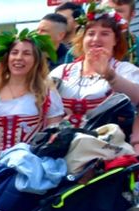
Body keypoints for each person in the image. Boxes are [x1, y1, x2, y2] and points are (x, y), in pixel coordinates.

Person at [0, 31, 65, 180]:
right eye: (14, 52)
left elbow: (53, 135)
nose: (19, 58)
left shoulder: (46, 93)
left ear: (36, 60)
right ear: (7, 58)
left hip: (29, 167)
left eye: (27, 53)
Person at [50, 1, 139, 139]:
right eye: (91, 33)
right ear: (82, 38)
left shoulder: (124, 70)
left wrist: (110, 76)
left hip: (106, 150)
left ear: (116, 40)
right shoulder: (62, 71)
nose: (96, 39)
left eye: (105, 34)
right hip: (62, 147)